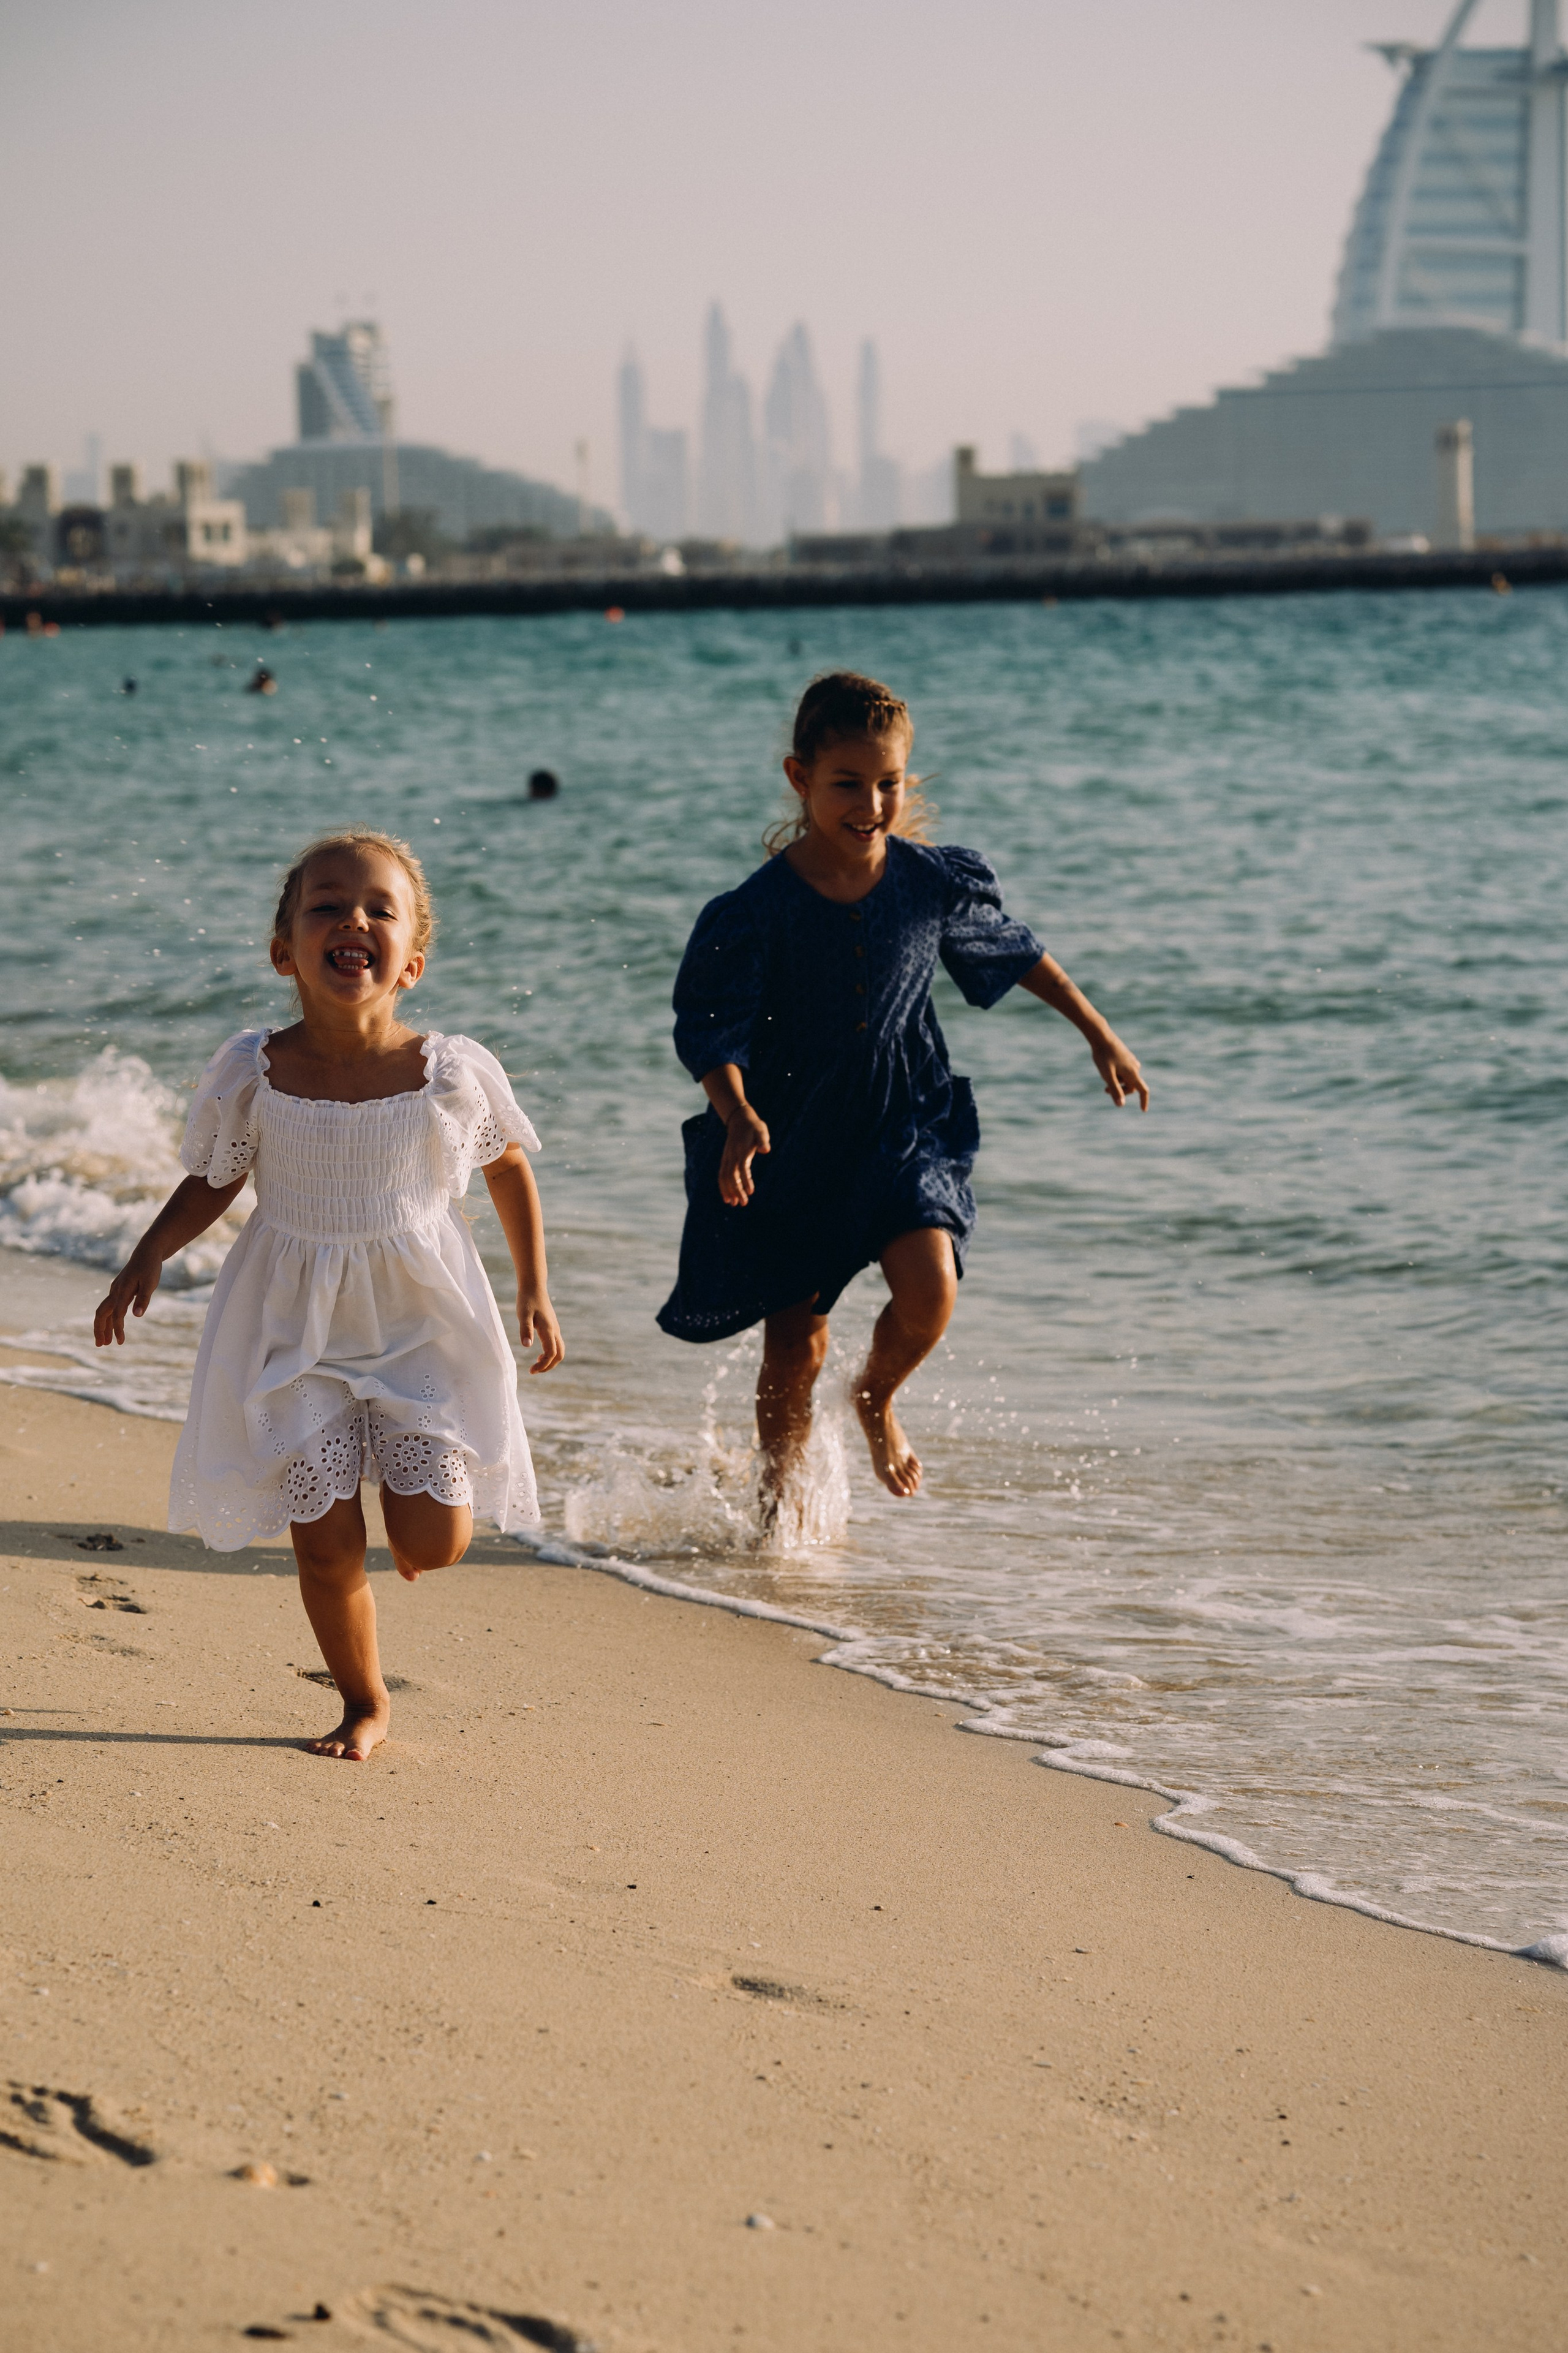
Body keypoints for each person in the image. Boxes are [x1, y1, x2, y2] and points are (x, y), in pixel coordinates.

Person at [93, 829, 563, 1761]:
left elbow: (507, 1167)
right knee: (323, 1538)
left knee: (435, 1539)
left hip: (417, 1323)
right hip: (290, 1323)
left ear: (411, 963)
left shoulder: (447, 1074)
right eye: (328, 906)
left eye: (379, 909)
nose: (354, 918)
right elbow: (216, 1179)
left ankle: (405, 1484)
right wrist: (146, 1253)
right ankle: (363, 1700)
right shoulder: (256, 1069)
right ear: (285, 952)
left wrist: (535, 1290)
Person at [658, 671, 1147, 1508]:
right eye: (848, 784)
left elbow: (1015, 950)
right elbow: (712, 1027)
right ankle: (779, 1515)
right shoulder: (754, 911)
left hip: (902, 1123)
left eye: (888, 783)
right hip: (794, 1136)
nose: (871, 803)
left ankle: (877, 1394)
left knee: (929, 1291)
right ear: (799, 778)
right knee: (795, 1347)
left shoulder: (929, 882)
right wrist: (735, 1113)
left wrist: (1098, 1030)